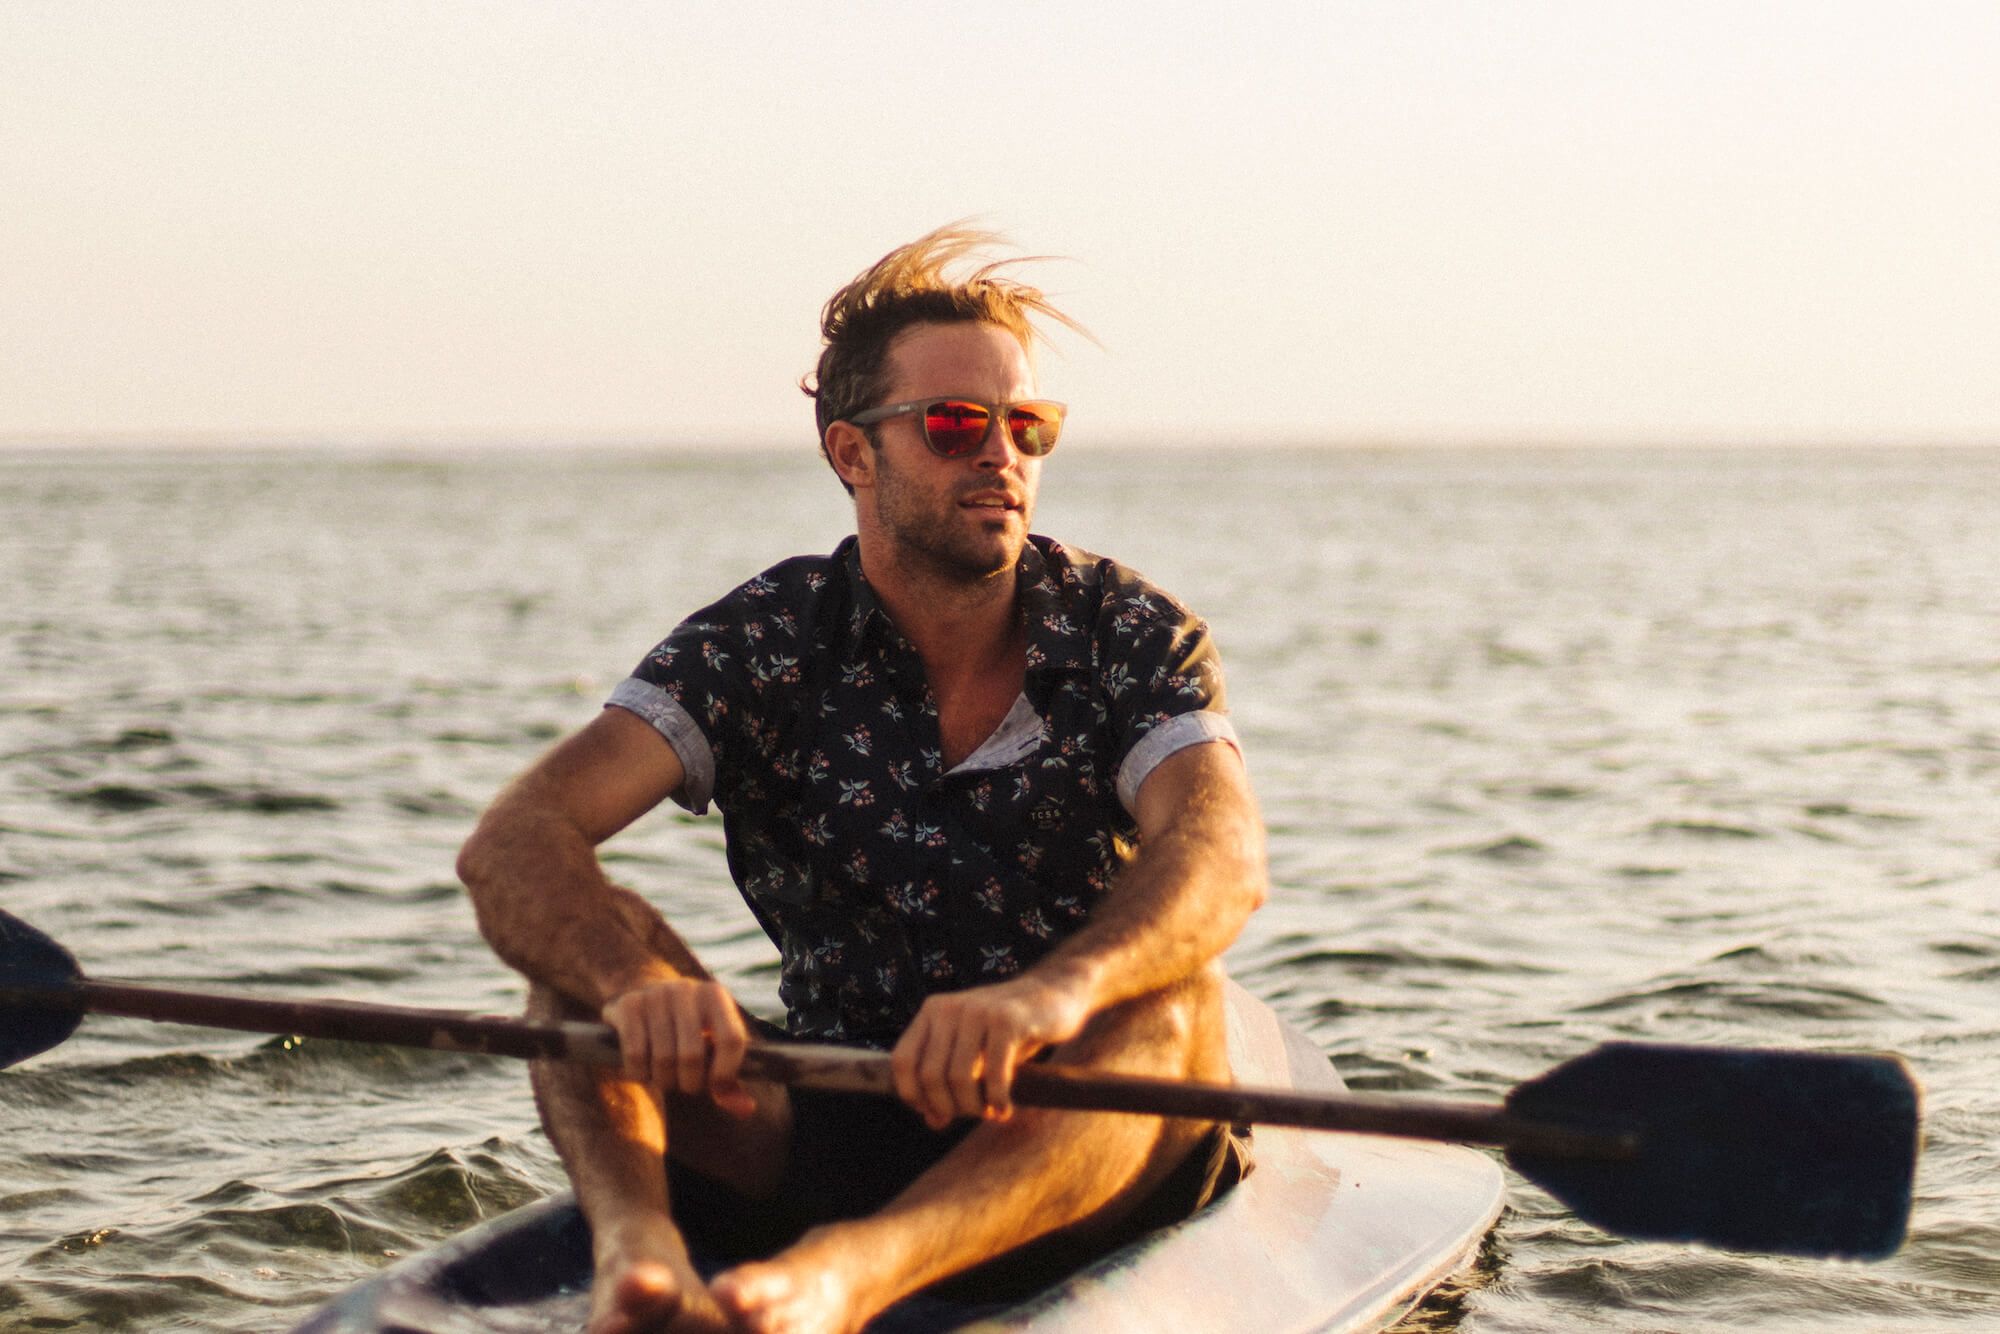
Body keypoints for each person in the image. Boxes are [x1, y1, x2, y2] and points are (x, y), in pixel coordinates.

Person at [457, 225, 1268, 1334]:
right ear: (852, 454)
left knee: (1174, 1000)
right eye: (953, 424)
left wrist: (1046, 997)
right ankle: (638, 1263)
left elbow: (1218, 852)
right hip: (834, 1119)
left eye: (1025, 424)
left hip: (1079, 1137)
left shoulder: (1127, 628)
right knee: (579, 974)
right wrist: (636, 989)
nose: (1000, 454)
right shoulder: (763, 639)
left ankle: (842, 1279)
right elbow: (515, 836)